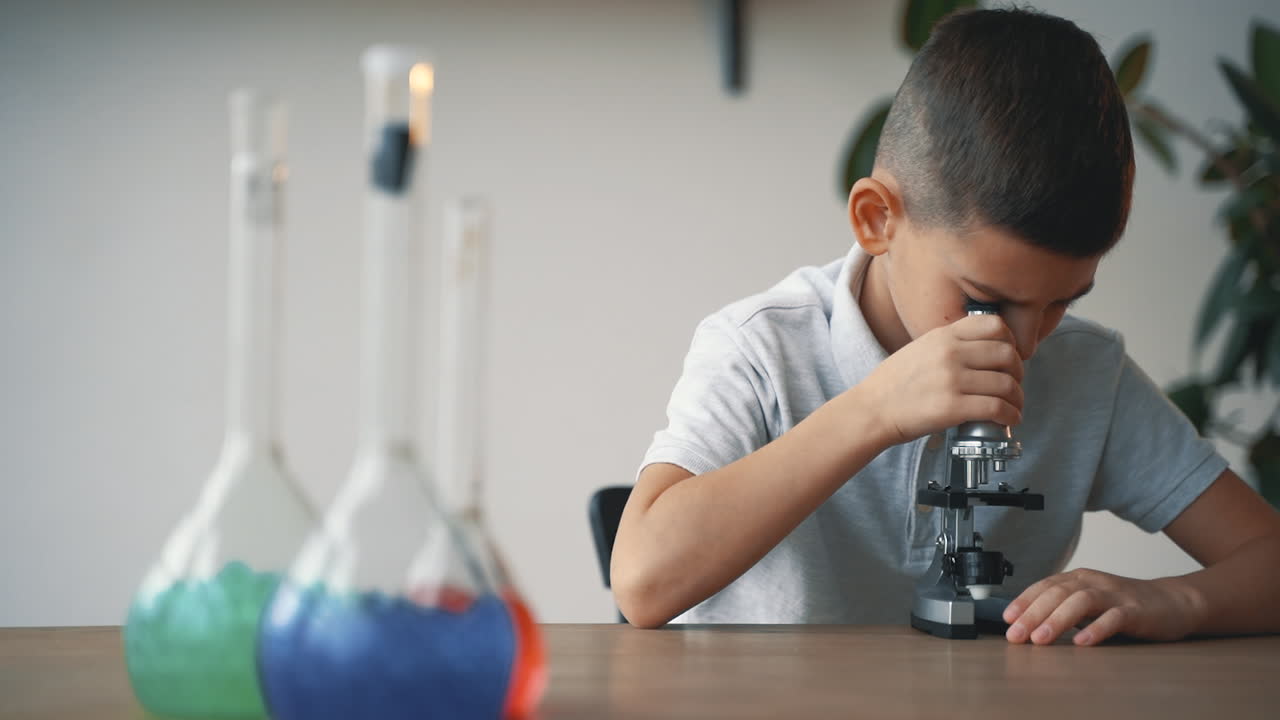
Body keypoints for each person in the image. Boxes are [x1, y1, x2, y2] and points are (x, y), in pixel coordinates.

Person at [611, 6, 1280, 645]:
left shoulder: (1084, 377)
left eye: (1061, 303)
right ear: (877, 219)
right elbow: (642, 582)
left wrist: (1176, 600)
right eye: (983, 300)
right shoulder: (760, 349)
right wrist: (874, 410)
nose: (1024, 343)